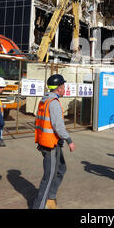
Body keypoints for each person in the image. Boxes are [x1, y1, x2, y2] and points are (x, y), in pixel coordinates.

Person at [32, 74, 76, 209]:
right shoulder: (54, 103)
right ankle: (39, 206)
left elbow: (38, 122)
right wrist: (69, 140)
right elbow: (58, 126)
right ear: (59, 88)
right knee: (49, 177)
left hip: (48, 142)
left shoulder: (44, 100)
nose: (65, 89)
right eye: (64, 86)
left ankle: (50, 196)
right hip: (50, 145)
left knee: (61, 168)